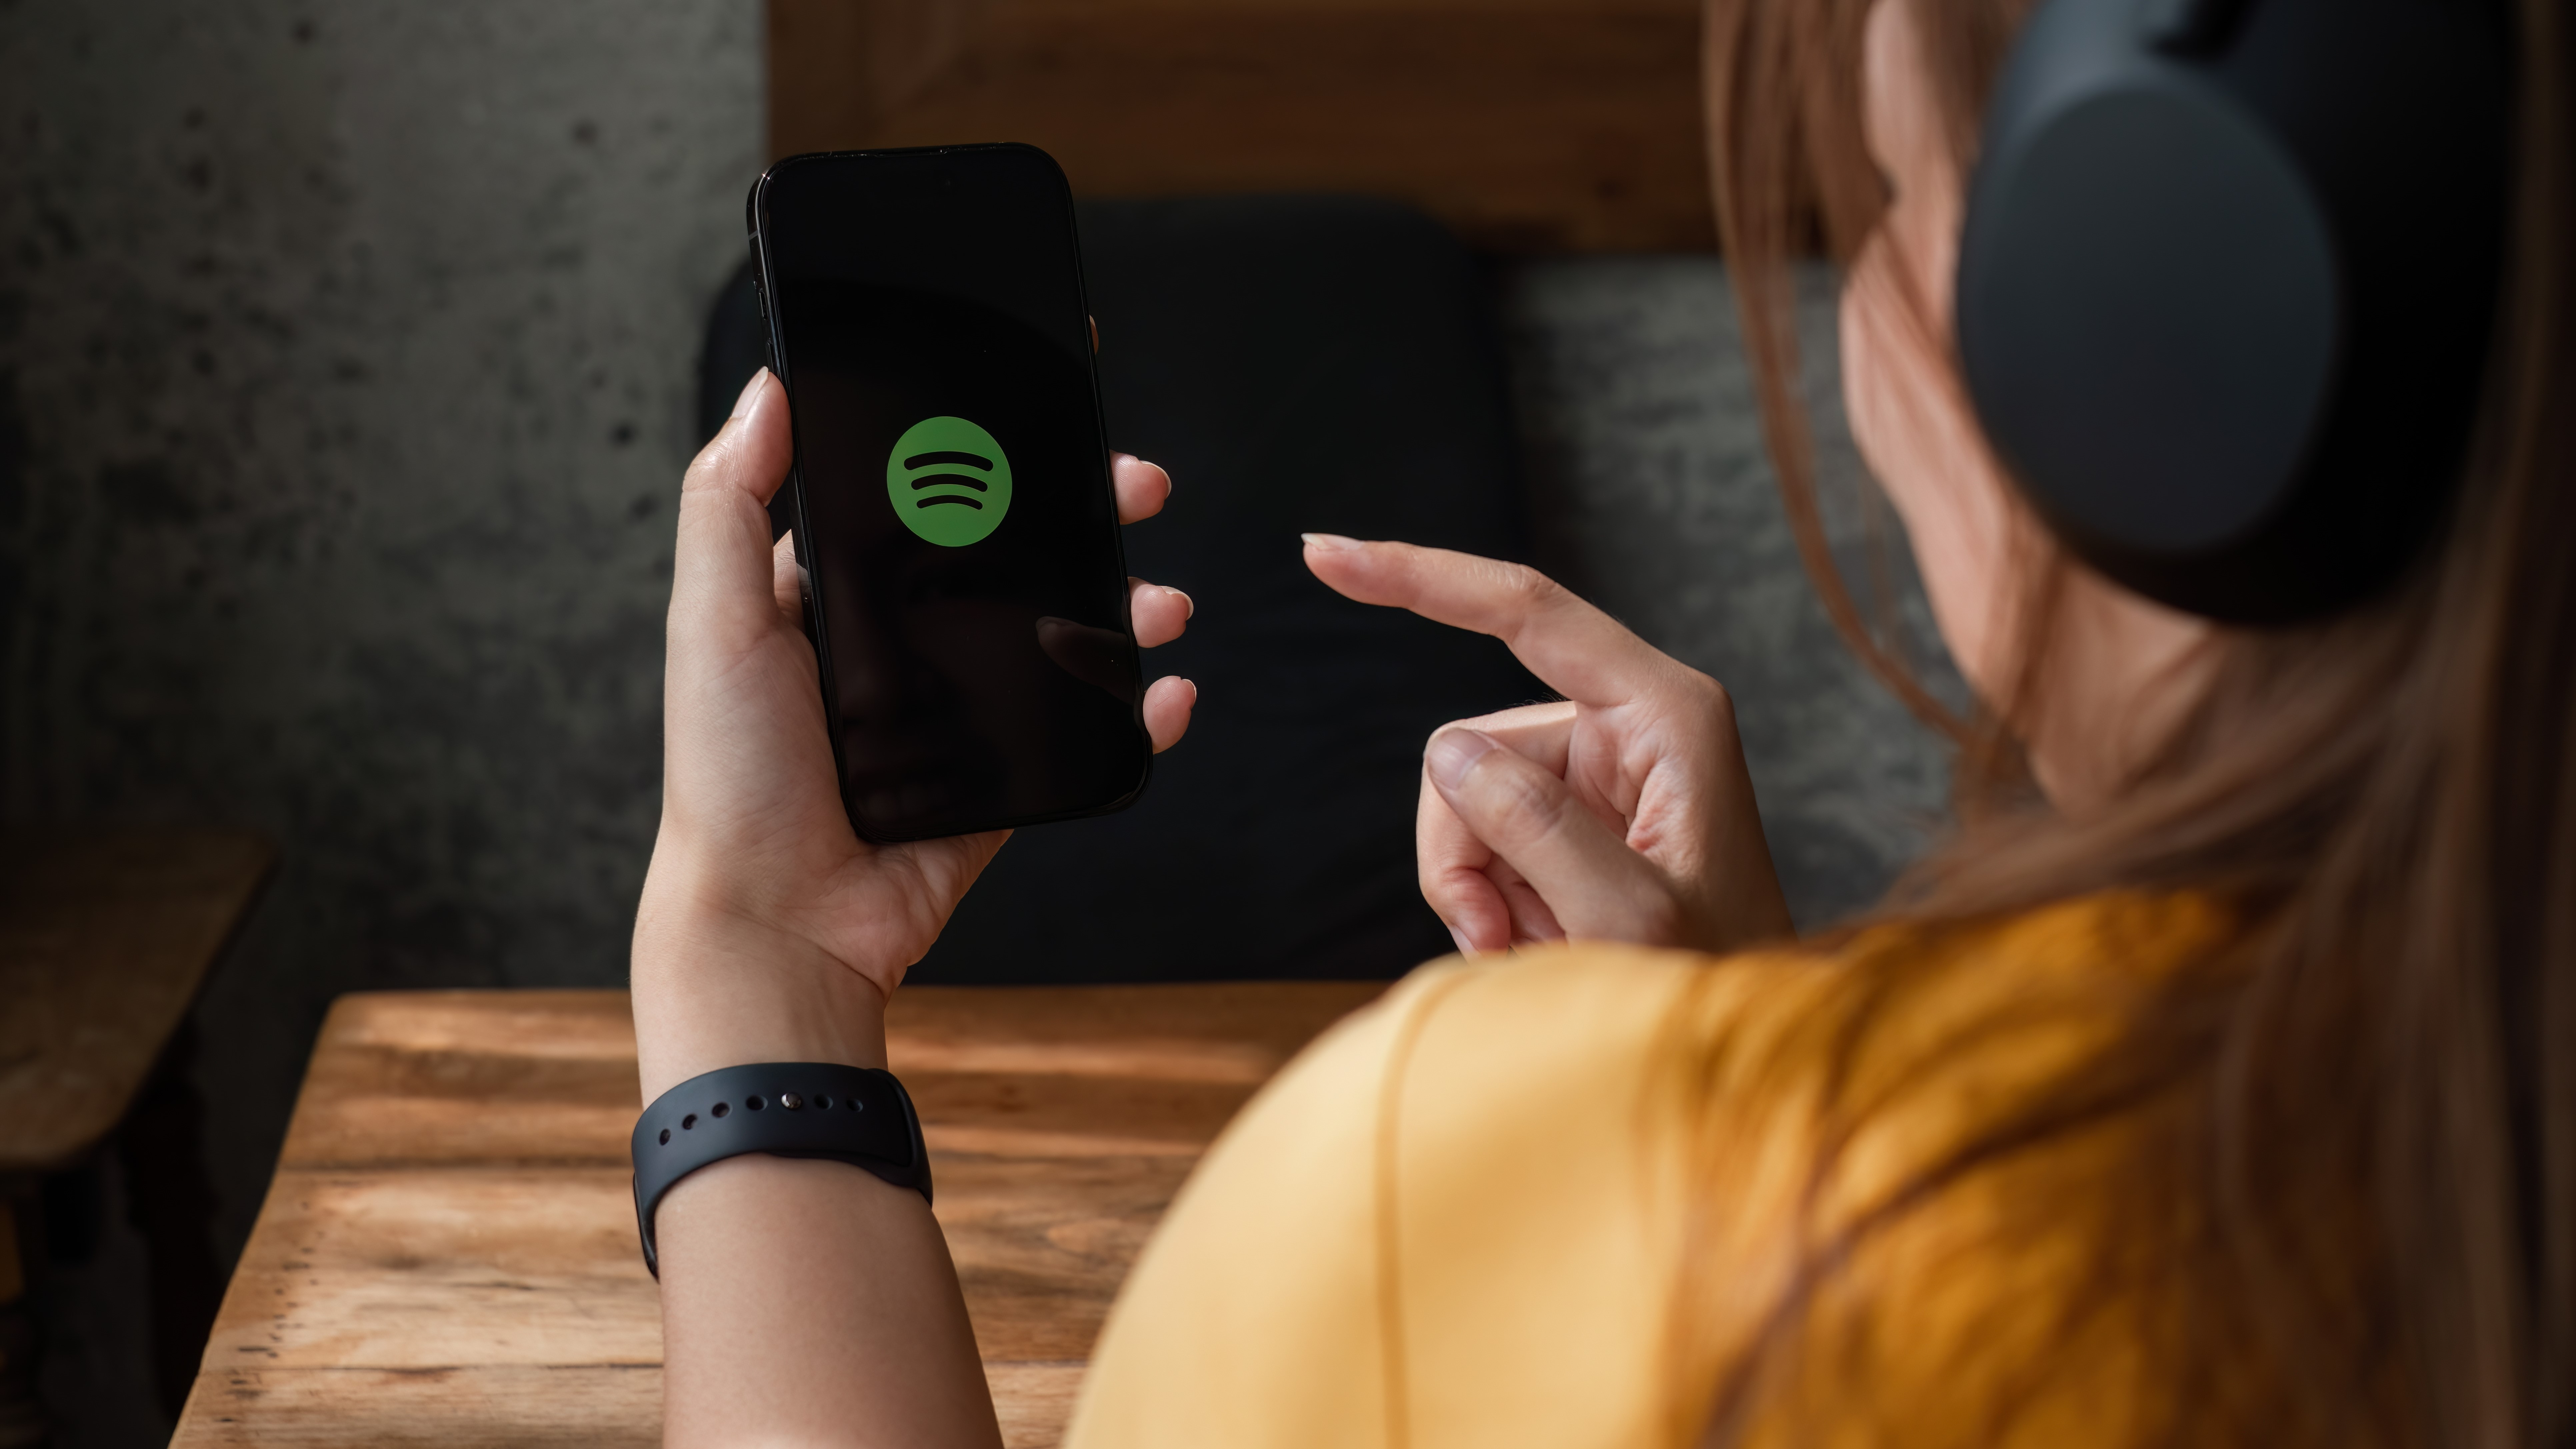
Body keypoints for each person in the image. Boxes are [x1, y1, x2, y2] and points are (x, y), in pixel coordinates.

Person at [632, 0, 2575, 1444]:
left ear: (2164, 330)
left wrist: (757, 980)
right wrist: (1768, 1049)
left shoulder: (1465, 1182)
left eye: (1896, 199)